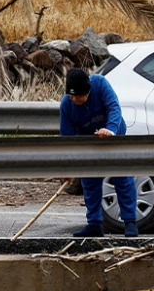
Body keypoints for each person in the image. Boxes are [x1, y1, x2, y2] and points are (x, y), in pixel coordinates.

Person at [59, 67, 139, 237]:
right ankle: (94, 224)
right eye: (72, 97)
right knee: (90, 181)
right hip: (89, 143)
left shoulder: (100, 83)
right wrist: (68, 167)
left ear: (88, 91)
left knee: (122, 177)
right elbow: (67, 140)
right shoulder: (66, 105)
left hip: (114, 136)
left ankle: (130, 223)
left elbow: (114, 107)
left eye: (79, 96)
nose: (75, 100)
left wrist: (110, 130)